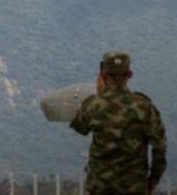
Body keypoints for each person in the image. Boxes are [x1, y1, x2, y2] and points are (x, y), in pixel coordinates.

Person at [70, 51, 167, 195]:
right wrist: (153, 179)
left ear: (103, 75)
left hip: (100, 188)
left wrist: (100, 95)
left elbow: (80, 128)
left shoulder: (93, 104)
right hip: (135, 188)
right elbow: (160, 147)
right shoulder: (144, 106)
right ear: (129, 75)